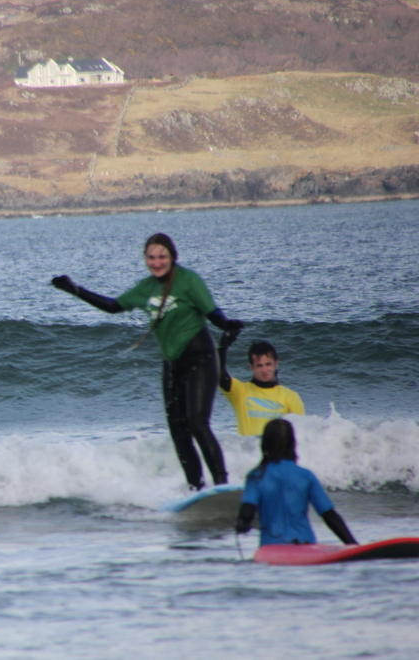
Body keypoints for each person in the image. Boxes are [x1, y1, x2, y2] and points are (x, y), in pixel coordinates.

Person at [51, 233, 243, 490]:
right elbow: (113, 306)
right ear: (145, 259)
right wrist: (76, 290)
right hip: (173, 363)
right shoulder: (145, 288)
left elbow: (213, 312)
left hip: (200, 357)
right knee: (178, 431)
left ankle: (221, 485)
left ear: (173, 256)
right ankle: (196, 488)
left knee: (197, 422)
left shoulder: (188, 280)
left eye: (162, 256)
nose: (157, 262)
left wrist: (227, 324)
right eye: (151, 257)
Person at [236, 419, 356, 546]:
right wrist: (352, 545)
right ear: (293, 444)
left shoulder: (256, 476)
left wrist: (243, 525)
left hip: (272, 546)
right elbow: (329, 515)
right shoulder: (306, 475)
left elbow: (247, 512)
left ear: (264, 444)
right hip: (306, 543)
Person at [218, 334, 305, 437]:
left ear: (276, 363)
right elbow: (218, 372)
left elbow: (300, 434)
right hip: (248, 452)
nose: (264, 370)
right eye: (259, 365)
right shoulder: (239, 390)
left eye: (268, 364)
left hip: (275, 452)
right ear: (251, 367)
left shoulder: (291, 396)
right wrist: (222, 348)